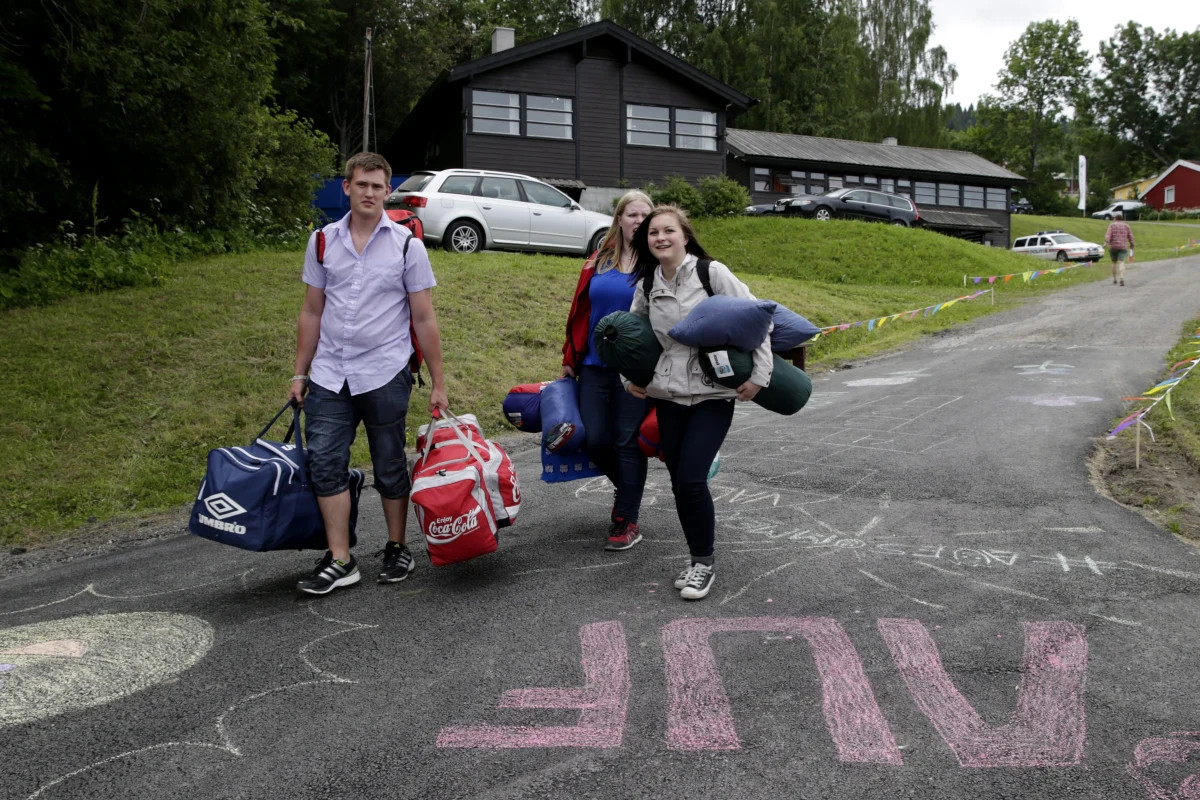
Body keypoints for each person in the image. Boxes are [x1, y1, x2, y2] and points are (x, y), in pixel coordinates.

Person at [289, 152, 449, 595]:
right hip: (329, 375)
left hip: (385, 370)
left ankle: (397, 547)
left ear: (387, 191)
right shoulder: (322, 241)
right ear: (347, 187)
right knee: (325, 462)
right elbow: (311, 310)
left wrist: (438, 383)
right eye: (362, 184)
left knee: (389, 464)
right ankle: (341, 558)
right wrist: (299, 373)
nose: (369, 193)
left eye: (378, 186)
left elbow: (424, 318)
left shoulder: (406, 245)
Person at [625, 205, 772, 600]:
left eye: (668, 231)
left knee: (691, 479)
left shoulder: (711, 273)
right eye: (653, 232)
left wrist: (760, 374)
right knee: (680, 482)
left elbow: (759, 317)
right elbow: (631, 335)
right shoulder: (647, 283)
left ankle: (704, 564)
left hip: (713, 394)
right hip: (668, 395)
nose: (660, 238)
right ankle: (696, 560)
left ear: (685, 236)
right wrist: (629, 377)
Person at [562, 191, 654, 550]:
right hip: (593, 366)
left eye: (645, 215)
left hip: (636, 370)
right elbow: (580, 311)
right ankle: (627, 489)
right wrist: (569, 356)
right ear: (619, 219)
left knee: (627, 443)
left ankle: (626, 518)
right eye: (632, 214)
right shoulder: (598, 260)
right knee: (595, 439)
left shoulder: (658, 264)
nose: (638, 220)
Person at [1105, 211, 1135, 287]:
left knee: (1114, 262)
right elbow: (1130, 236)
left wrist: (1106, 242)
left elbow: (1108, 235)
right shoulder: (1126, 226)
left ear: (1115, 218)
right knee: (1121, 262)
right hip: (1123, 246)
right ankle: (1121, 278)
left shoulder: (1112, 225)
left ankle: (1115, 279)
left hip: (1113, 246)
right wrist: (1132, 244)